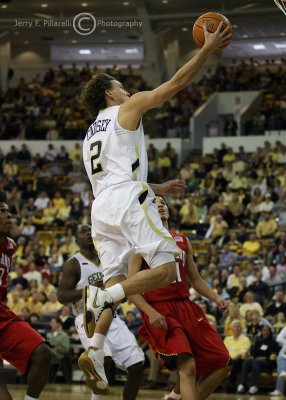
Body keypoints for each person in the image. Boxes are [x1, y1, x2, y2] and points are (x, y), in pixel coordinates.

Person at [80, 22, 232, 393]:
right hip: (127, 201)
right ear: (109, 93)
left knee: (118, 276)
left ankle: (96, 351)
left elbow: (113, 177)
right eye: (119, 83)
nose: (126, 87)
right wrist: (206, 50)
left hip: (101, 208)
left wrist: (156, 186)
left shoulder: (89, 133)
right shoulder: (125, 108)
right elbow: (175, 85)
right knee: (166, 270)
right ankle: (103, 295)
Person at [128, 196, 231, 400]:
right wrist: (150, 312)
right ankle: (177, 394)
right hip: (160, 309)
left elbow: (196, 279)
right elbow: (130, 288)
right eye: (154, 203)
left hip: (186, 306)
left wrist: (216, 297)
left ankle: (176, 396)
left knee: (223, 362)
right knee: (188, 367)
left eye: (163, 203)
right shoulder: (139, 244)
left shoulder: (183, 240)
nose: (160, 205)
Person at [57, 225, 145, 399]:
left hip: (112, 316)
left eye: (90, 230)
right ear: (76, 241)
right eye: (82, 231)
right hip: (87, 317)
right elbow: (61, 296)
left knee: (138, 365)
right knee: (102, 361)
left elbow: (124, 294)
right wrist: (90, 290)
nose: (88, 233)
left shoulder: (109, 259)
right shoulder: (74, 263)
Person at [0, 200, 52, 400]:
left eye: (9, 212)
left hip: (3, 314)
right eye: (1, 211)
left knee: (43, 353)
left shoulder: (10, 245)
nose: (8, 215)